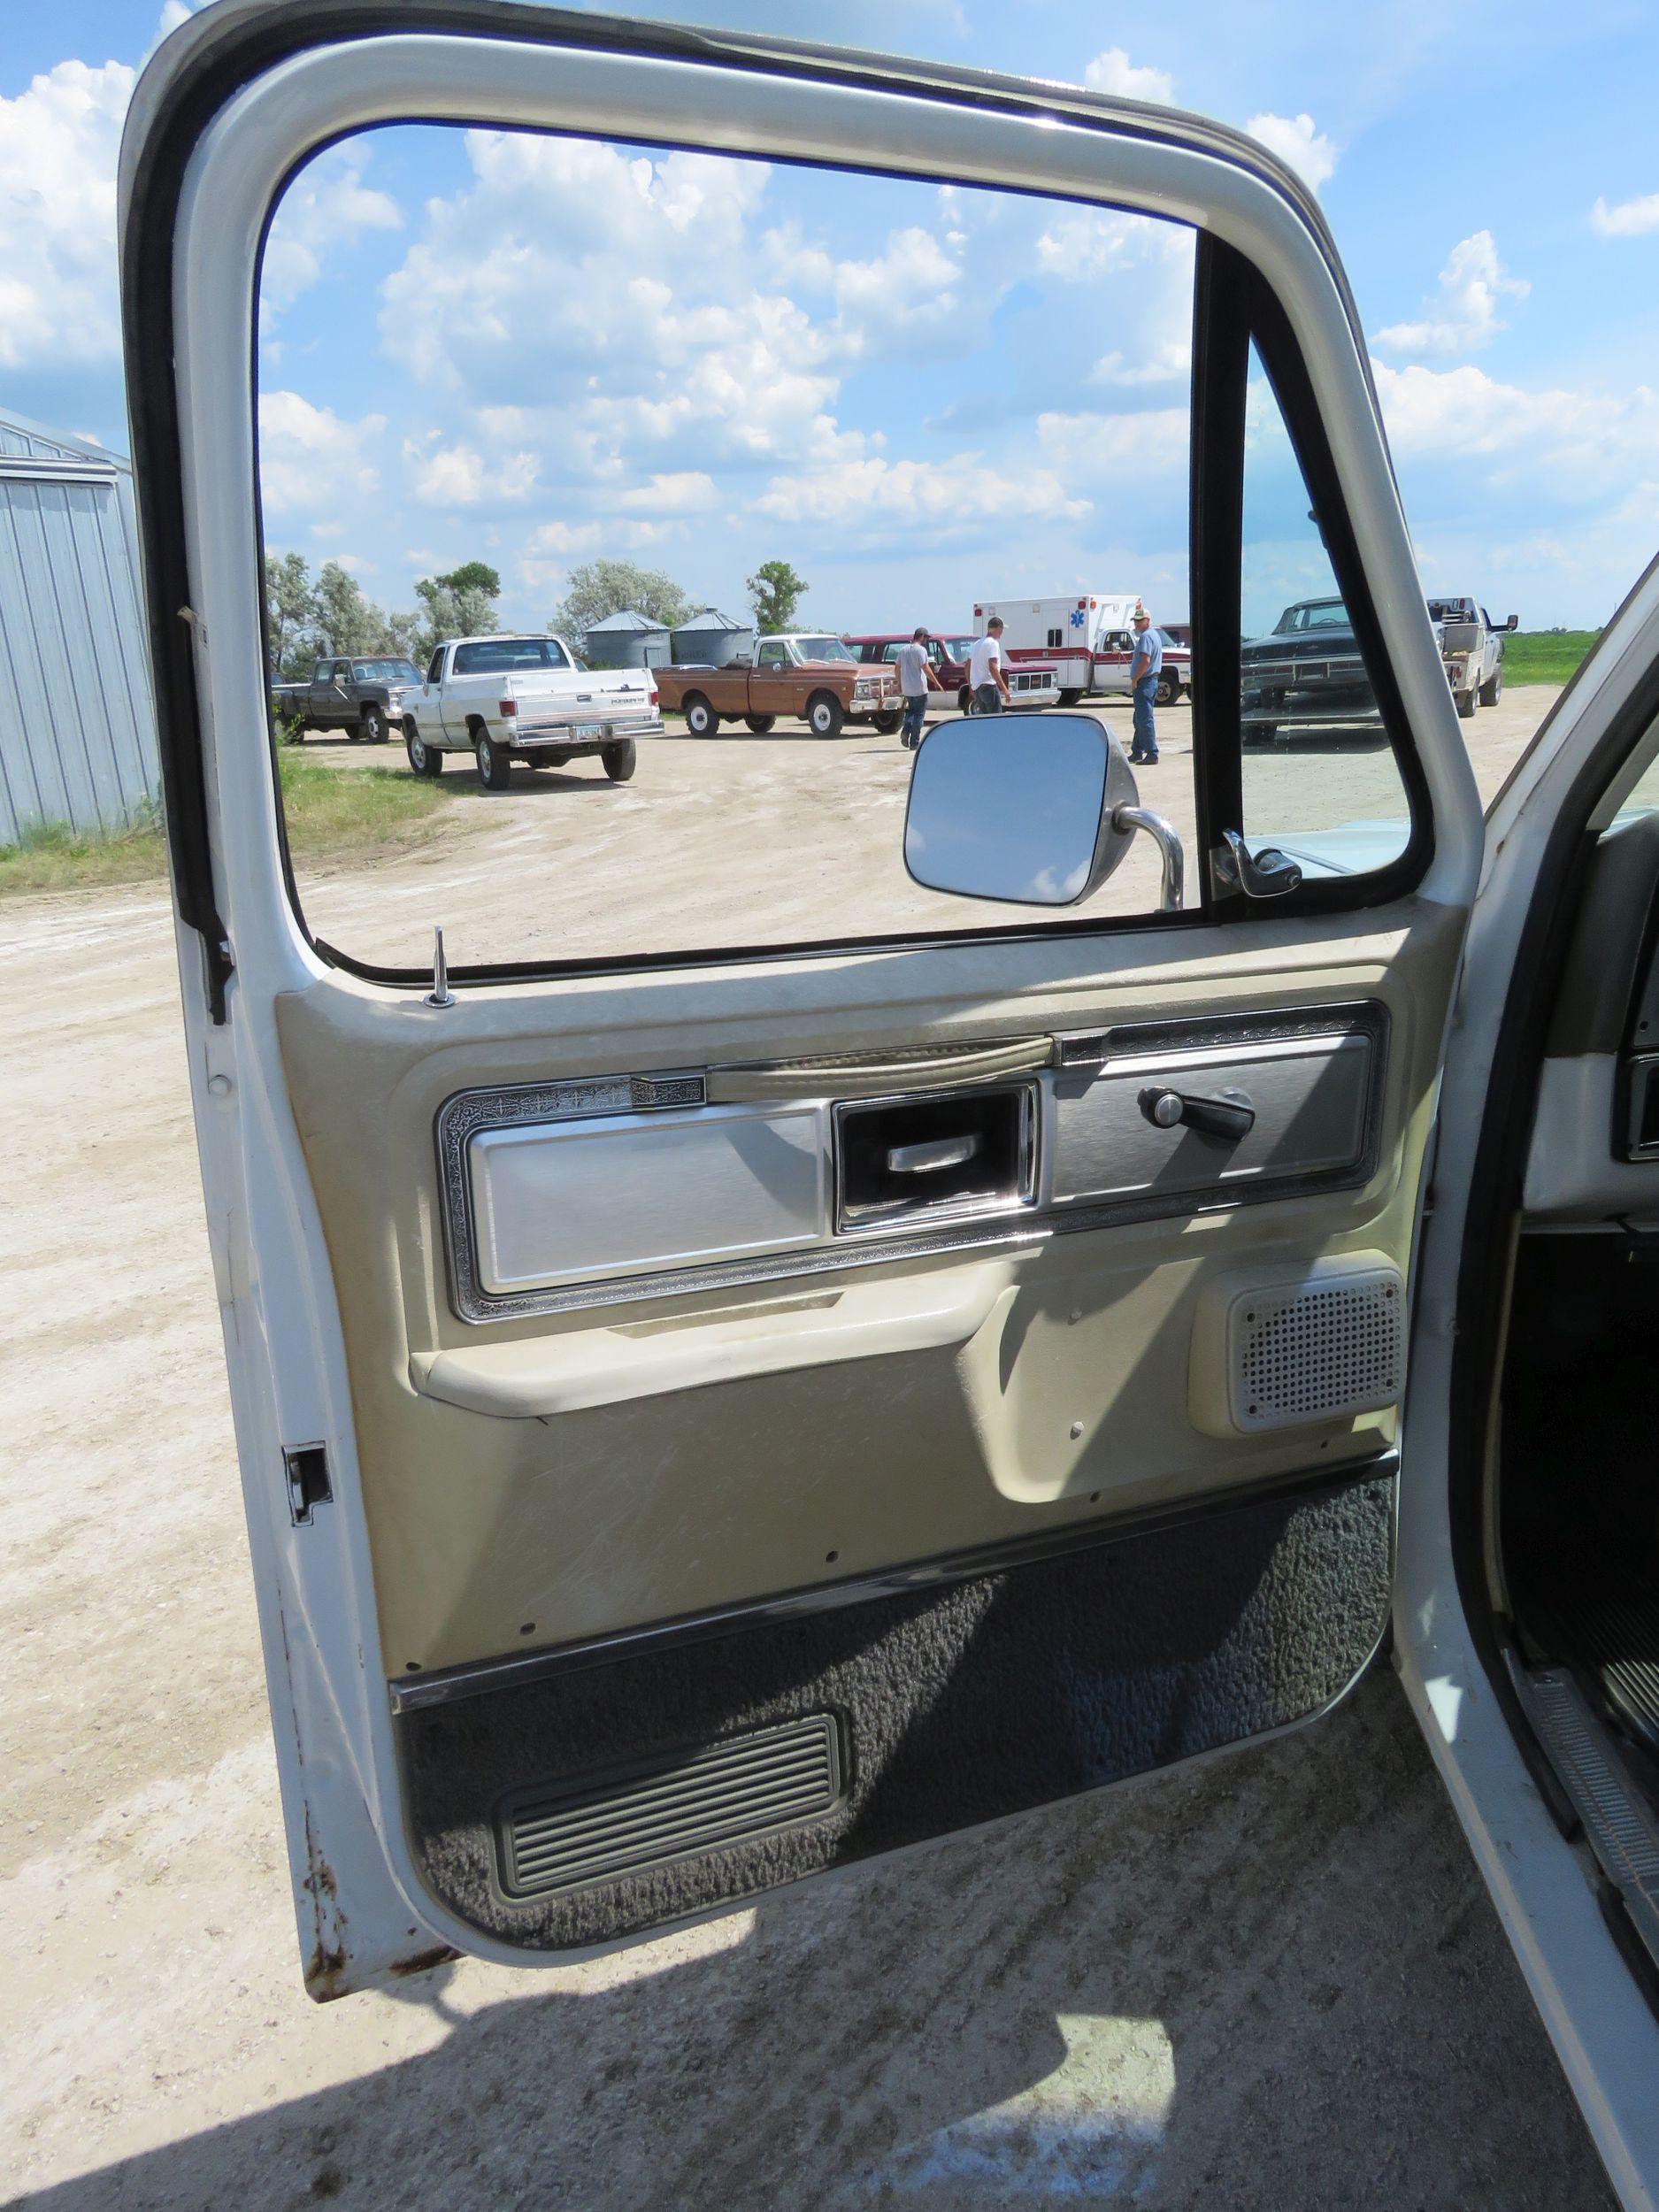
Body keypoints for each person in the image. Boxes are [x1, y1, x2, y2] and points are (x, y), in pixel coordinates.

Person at [893, 626, 942, 749]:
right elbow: (926, 668)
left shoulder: (903, 650)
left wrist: (899, 683)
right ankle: (914, 742)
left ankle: (906, 731)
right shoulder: (921, 650)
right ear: (921, 636)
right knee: (919, 715)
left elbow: (896, 668)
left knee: (911, 712)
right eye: (926, 637)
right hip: (919, 688)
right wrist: (936, 682)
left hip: (907, 688)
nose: (926, 640)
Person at [1128, 607, 1162, 764]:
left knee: (1144, 718)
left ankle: (1151, 753)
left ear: (1147, 621)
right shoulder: (1154, 635)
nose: (1136, 623)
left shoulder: (1146, 637)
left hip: (1145, 682)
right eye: (1135, 620)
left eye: (1140, 621)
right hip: (1151, 681)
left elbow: (1145, 661)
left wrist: (1135, 679)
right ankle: (1137, 751)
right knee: (1139, 718)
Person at [967, 618, 1013, 714]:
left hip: (977, 689)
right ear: (998, 628)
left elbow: (967, 666)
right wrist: (1005, 690)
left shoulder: (977, 644)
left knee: (984, 719)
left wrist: (971, 685)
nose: (1002, 632)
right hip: (988, 686)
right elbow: (993, 667)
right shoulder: (993, 643)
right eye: (1002, 629)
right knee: (995, 719)